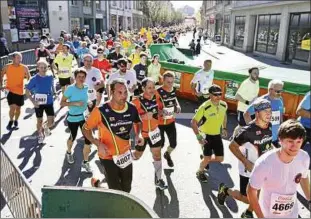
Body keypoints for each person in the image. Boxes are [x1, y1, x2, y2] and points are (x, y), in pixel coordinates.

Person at [82, 78, 144, 192]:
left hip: (125, 154)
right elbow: (85, 129)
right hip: (107, 156)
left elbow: (138, 122)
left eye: (125, 92)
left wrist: (137, 135)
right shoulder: (101, 110)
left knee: (126, 188)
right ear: (111, 92)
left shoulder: (131, 108)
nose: (124, 96)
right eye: (120, 92)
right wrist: (97, 143)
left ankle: (98, 183)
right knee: (116, 190)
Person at [217, 99, 274, 218]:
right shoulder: (246, 131)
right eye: (265, 111)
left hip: (262, 167)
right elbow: (232, 146)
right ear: (257, 113)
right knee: (247, 198)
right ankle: (225, 190)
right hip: (247, 170)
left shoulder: (269, 125)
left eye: (270, 111)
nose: (269, 114)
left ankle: (248, 213)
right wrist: (246, 161)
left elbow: (267, 143)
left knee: (258, 195)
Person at [247, 119, 310, 218]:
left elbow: (304, 177)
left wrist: (309, 199)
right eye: (290, 141)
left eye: (298, 141)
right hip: (268, 215)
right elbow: (251, 191)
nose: (295, 146)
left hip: (292, 214)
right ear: (280, 140)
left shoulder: (304, 158)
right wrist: (261, 217)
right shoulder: (265, 163)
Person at [132, 78, 168, 190]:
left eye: (153, 87)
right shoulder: (136, 102)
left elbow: (157, 112)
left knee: (157, 155)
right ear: (143, 88)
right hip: (142, 135)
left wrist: (163, 112)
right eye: (149, 88)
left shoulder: (157, 98)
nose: (152, 90)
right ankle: (118, 161)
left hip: (154, 132)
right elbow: (129, 119)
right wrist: (143, 117)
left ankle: (158, 179)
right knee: (137, 156)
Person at [191, 85, 228, 182]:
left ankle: (205, 158)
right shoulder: (204, 107)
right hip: (205, 135)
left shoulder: (224, 105)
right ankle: (200, 171)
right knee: (207, 159)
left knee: (220, 159)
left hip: (216, 134)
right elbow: (193, 122)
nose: (218, 96)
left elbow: (224, 116)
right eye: (215, 95)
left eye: (220, 94)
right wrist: (199, 137)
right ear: (210, 95)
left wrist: (224, 128)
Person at [60, 69, 92, 172]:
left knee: (88, 139)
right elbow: (62, 103)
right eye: (79, 77)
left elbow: (86, 99)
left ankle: (86, 162)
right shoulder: (70, 89)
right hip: (73, 117)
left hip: (84, 117)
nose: (81, 79)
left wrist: (89, 102)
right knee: (73, 137)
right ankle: (69, 152)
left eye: (83, 77)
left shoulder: (86, 87)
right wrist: (75, 103)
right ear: (75, 77)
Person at [244, 79, 284, 147]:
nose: (280, 93)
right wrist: (253, 131)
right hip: (262, 139)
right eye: (278, 91)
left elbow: (280, 118)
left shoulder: (280, 101)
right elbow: (246, 114)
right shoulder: (261, 101)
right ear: (270, 90)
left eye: (281, 91)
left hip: (274, 139)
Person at [25, 60, 55, 144]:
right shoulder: (34, 79)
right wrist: (33, 102)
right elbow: (27, 91)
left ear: (47, 68)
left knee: (51, 122)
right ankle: (40, 134)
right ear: (38, 68)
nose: (43, 69)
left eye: (45, 67)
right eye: (41, 67)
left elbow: (51, 86)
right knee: (39, 120)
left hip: (49, 101)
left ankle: (45, 127)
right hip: (38, 102)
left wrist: (54, 93)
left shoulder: (50, 76)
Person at [156, 72, 181, 167]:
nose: (170, 84)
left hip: (170, 122)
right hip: (160, 123)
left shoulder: (173, 89)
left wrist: (177, 106)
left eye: (172, 82)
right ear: (163, 80)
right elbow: (151, 106)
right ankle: (157, 161)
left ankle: (167, 154)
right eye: (168, 82)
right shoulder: (157, 92)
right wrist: (160, 111)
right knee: (160, 144)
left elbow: (175, 99)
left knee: (173, 144)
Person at [0, 52, 31, 130]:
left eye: (20, 58)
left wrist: (28, 84)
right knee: (12, 108)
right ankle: (11, 121)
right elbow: (1, 75)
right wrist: (1, 85)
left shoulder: (24, 67)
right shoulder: (7, 67)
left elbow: (29, 77)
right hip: (10, 90)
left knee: (18, 109)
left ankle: (16, 120)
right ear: (13, 58)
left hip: (20, 91)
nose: (20, 59)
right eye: (18, 57)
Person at [232, 67, 260, 138]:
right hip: (243, 109)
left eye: (257, 73)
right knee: (241, 126)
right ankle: (233, 139)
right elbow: (237, 96)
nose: (257, 75)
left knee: (250, 126)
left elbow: (255, 94)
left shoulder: (257, 82)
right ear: (250, 74)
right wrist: (248, 102)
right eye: (254, 73)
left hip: (252, 109)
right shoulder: (246, 83)